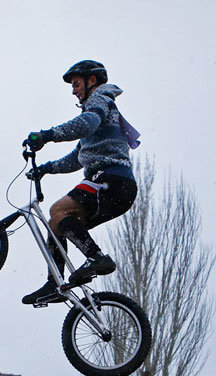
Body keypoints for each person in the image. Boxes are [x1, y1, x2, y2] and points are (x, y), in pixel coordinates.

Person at [21, 60, 140, 305]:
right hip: (117, 189)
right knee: (58, 223)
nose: (73, 90)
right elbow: (78, 157)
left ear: (91, 81)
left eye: (76, 84)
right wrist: (46, 168)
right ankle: (55, 283)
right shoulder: (101, 111)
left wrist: (46, 135)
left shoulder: (99, 100)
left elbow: (85, 124)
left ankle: (97, 259)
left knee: (57, 210)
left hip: (111, 179)